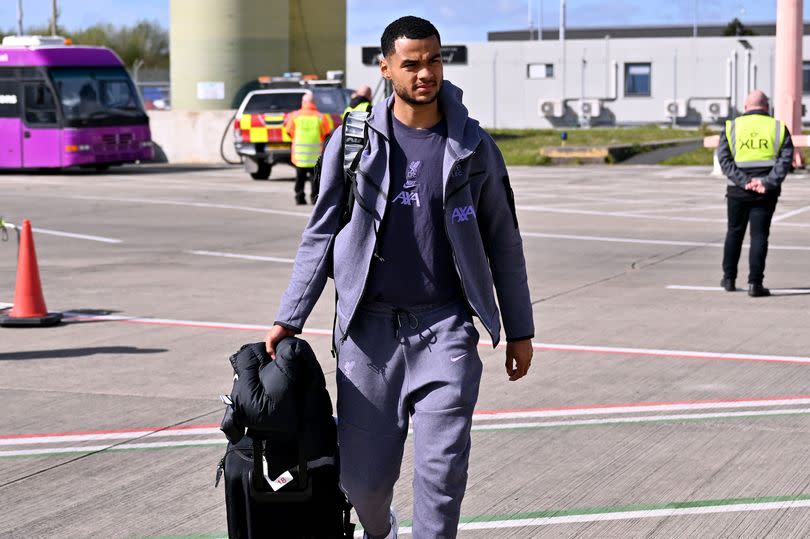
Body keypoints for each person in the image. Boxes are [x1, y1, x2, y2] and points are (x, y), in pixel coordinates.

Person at [265, 16, 534, 539]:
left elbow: (504, 241)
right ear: (386, 68)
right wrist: (289, 317)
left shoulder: (475, 147)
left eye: (434, 59)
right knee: (363, 482)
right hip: (370, 335)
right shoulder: (354, 141)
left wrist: (518, 328)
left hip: (446, 328)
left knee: (442, 475)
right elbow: (320, 234)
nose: (425, 72)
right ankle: (378, 529)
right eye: (411, 63)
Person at [717, 90, 794, 297]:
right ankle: (755, 284)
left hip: (737, 191)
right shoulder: (778, 128)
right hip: (765, 193)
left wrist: (745, 182)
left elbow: (724, 161)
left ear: (745, 107)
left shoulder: (731, 127)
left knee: (734, 232)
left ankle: (729, 279)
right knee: (759, 236)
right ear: (767, 107)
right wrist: (766, 183)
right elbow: (785, 161)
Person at [283, 91, 333, 204]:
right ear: (314, 102)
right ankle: (314, 198)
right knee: (314, 178)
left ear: (303, 102)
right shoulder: (321, 117)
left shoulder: (295, 115)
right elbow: (327, 133)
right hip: (315, 154)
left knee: (299, 178)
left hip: (299, 155)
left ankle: (299, 197)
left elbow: (288, 131)